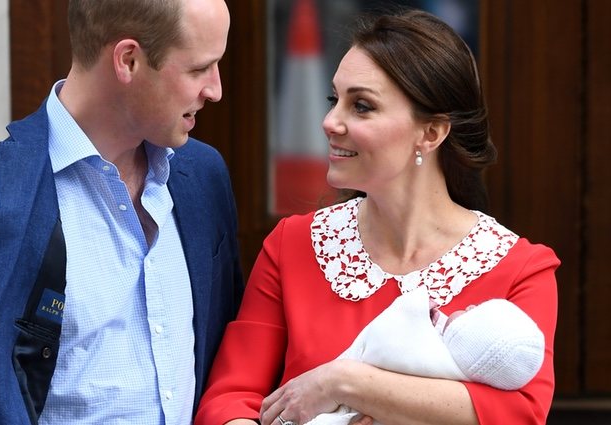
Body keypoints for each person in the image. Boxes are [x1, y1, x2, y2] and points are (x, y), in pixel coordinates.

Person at [195, 8, 559, 425]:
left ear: (432, 133)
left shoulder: (522, 269)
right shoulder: (291, 244)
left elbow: (521, 413)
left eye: (362, 106)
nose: (331, 122)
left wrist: (343, 382)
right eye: (335, 100)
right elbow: (230, 396)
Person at [0, 0, 244, 424]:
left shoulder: (204, 176)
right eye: (200, 69)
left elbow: (229, 368)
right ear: (128, 60)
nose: (215, 89)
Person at [306, 286, 545, 425]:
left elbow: (387, 341)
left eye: (476, 315)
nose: (472, 307)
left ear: (466, 340)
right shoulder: (464, 372)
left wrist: (420, 310)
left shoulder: (431, 356)